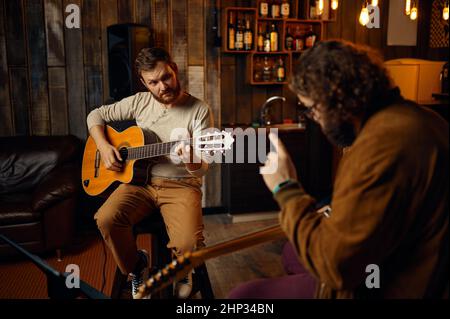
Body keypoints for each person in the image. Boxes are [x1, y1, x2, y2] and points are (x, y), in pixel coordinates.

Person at [229, 40, 448, 299]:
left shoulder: (379, 146)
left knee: (245, 296)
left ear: (337, 98)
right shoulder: (427, 119)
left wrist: (285, 188)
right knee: (291, 251)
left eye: (311, 109)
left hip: (382, 282)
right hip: (392, 260)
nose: (315, 120)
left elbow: (336, 268)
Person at [86, 47, 213, 299]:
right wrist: (104, 145)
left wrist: (190, 157)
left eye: (165, 77)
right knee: (106, 219)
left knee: (188, 243)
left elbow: (203, 166)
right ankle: (137, 268)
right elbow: (95, 115)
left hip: (181, 185)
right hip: (140, 183)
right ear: (144, 83)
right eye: (153, 82)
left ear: (174, 69)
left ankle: (184, 269)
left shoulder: (199, 110)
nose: (162, 86)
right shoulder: (139, 101)